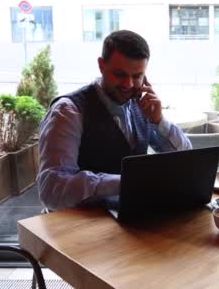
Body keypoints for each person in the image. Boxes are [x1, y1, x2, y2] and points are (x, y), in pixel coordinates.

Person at [37, 30, 192, 211]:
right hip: (79, 226)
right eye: (119, 74)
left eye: (137, 76)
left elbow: (186, 159)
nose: (128, 84)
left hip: (129, 217)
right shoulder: (68, 111)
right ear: (101, 66)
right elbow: (51, 191)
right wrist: (127, 182)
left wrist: (159, 121)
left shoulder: (141, 103)